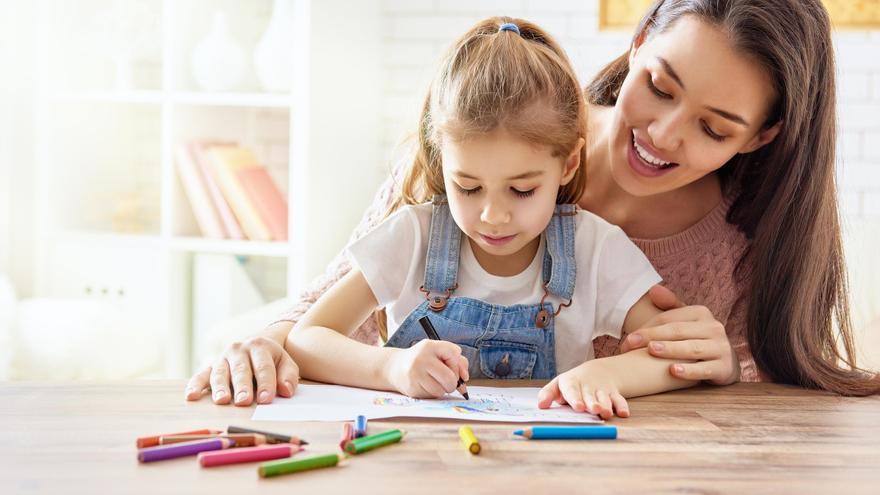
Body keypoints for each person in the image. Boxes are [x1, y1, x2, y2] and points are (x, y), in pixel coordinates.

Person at [186, 0, 880, 408]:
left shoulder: (739, 243)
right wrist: (266, 344)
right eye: (660, 87)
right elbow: (323, 311)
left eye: (713, 127)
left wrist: (725, 366)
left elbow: (756, 396)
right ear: (636, 45)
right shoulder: (494, 132)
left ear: (761, 136)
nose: (663, 134)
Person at [285, 17, 705, 419]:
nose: (493, 216)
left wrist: (605, 373)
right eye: (467, 187)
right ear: (441, 160)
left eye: (522, 190)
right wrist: (390, 368)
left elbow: (673, 356)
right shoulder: (413, 237)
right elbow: (306, 340)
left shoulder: (594, 249)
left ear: (569, 165)